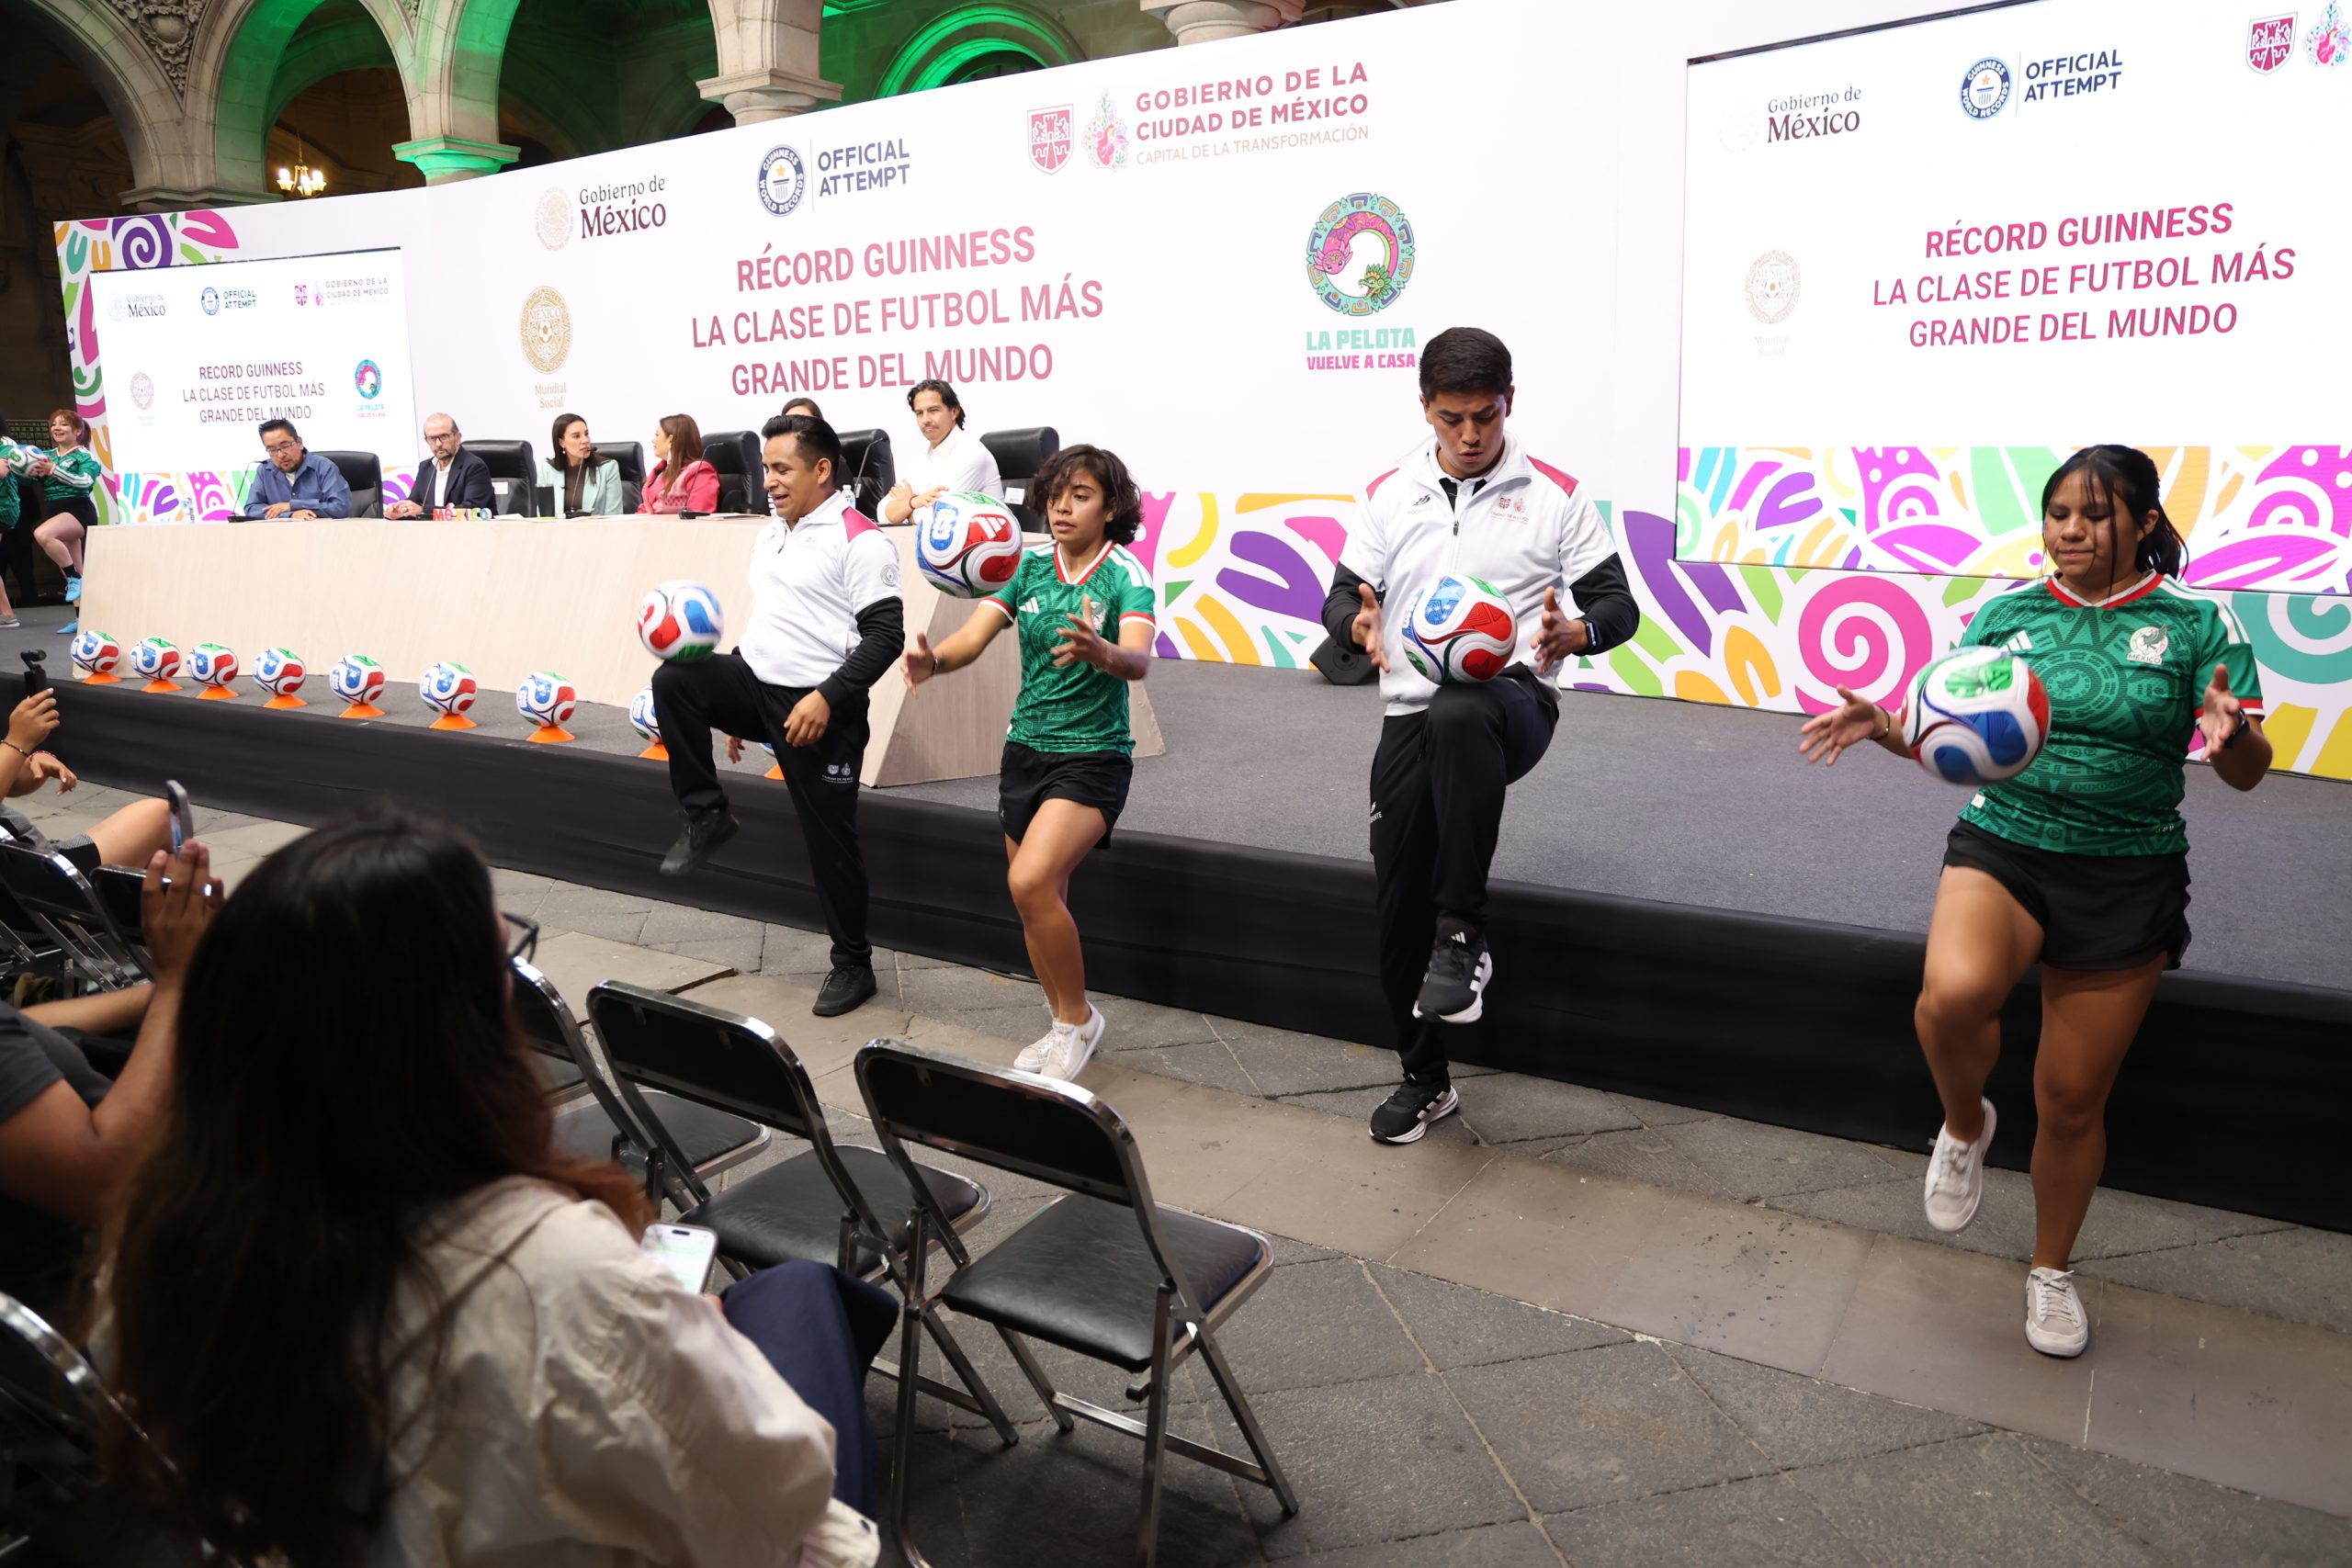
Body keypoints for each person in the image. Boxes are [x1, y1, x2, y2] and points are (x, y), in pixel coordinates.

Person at [87, 808, 881, 1567]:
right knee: (800, 1297)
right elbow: (782, 1502)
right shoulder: (558, 1274)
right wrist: (693, 1349)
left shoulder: (165, 1227)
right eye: (502, 964)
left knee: (813, 1294)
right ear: (453, 1034)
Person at [1798, 444, 2271, 1359]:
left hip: (2126, 869)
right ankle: (1967, 1123)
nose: (2072, 531)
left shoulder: (2194, 621)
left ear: (2140, 522)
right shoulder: (2009, 611)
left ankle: (2049, 1271)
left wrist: (2232, 733)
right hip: (2006, 840)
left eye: (2094, 516)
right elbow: (1955, 741)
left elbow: (2246, 773)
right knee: (1950, 1000)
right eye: (2059, 514)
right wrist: (1895, 732)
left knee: (2068, 1096)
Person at [1320, 327, 1639, 1146]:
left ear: (1509, 403)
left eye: (1485, 416)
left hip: (1513, 701)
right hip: (1407, 714)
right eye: (1452, 417)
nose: (1469, 434)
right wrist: (1355, 621)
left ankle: (1464, 932)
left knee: (1465, 707)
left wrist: (1580, 635)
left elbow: (1618, 605)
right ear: (1425, 408)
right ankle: (1425, 1079)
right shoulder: (1391, 492)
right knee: (1395, 909)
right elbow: (1342, 597)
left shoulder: (1556, 493)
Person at [903, 445, 1155, 1080]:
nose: (1063, 506)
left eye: (1082, 495)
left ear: (1111, 507)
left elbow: (1138, 660)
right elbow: (973, 636)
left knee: (1030, 882)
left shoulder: (1125, 574)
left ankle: (1078, 1020)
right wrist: (936, 663)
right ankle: (1061, 1022)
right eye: (1056, 493)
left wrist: (1103, 651)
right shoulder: (1027, 566)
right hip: (1025, 751)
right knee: (1039, 900)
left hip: (1093, 756)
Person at [652, 415, 899, 1018]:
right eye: (766, 467)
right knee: (676, 679)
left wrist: (826, 698)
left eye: (782, 468)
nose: (769, 480)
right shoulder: (773, 529)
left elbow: (885, 637)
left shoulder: (860, 538)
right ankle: (706, 815)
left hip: (821, 706)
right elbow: (774, 618)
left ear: (822, 469)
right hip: (757, 682)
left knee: (830, 843)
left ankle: (853, 963)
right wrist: (735, 703)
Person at [0, 834, 219, 1321]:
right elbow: (103, 1186)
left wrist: (159, 991)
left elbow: (24, 1032)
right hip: (72, 1306)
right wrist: (181, 982)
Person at [0, 687, 175, 872]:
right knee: (160, 814)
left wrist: (30, 761)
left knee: (162, 863)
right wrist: (17, 742)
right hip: (39, 871)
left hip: (27, 859)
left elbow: (10, 784)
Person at [881, 379, 1001, 523]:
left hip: (985, 543)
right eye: (919, 413)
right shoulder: (920, 459)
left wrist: (905, 510)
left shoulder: (971, 453)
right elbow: (882, 512)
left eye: (933, 410)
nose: (925, 420)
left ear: (954, 412)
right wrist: (913, 502)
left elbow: (941, 517)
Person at [27, 410, 102, 634]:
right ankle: (83, 620)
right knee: (75, 566)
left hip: (78, 511)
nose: (57, 428)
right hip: (55, 511)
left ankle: (73, 578)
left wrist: (54, 470)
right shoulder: (46, 455)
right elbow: (30, 476)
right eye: (54, 425)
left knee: (43, 535)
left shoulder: (84, 456)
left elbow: (84, 482)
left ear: (77, 431)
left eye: (64, 425)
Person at [239, 418, 352, 522]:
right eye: (272, 449)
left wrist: (291, 505)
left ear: (299, 442)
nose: (280, 455)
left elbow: (340, 507)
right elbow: (252, 509)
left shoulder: (324, 467)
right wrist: (289, 514)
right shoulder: (264, 470)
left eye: (285, 446)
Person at [385, 412, 494, 518]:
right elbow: (414, 503)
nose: (438, 444)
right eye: (432, 438)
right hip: (433, 534)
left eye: (444, 436)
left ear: (457, 437)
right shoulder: (425, 467)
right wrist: (400, 511)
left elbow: (472, 510)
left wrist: (423, 510)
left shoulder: (474, 466)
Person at [537, 412, 623, 517]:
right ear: (561, 442)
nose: (585, 440)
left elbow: (615, 517)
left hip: (597, 532)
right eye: (577, 436)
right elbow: (543, 517)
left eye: (586, 434)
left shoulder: (608, 468)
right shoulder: (547, 469)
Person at [639, 412, 720, 515]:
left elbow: (699, 515)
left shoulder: (700, 471)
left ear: (671, 440)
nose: (653, 440)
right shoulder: (660, 472)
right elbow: (645, 509)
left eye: (657, 435)